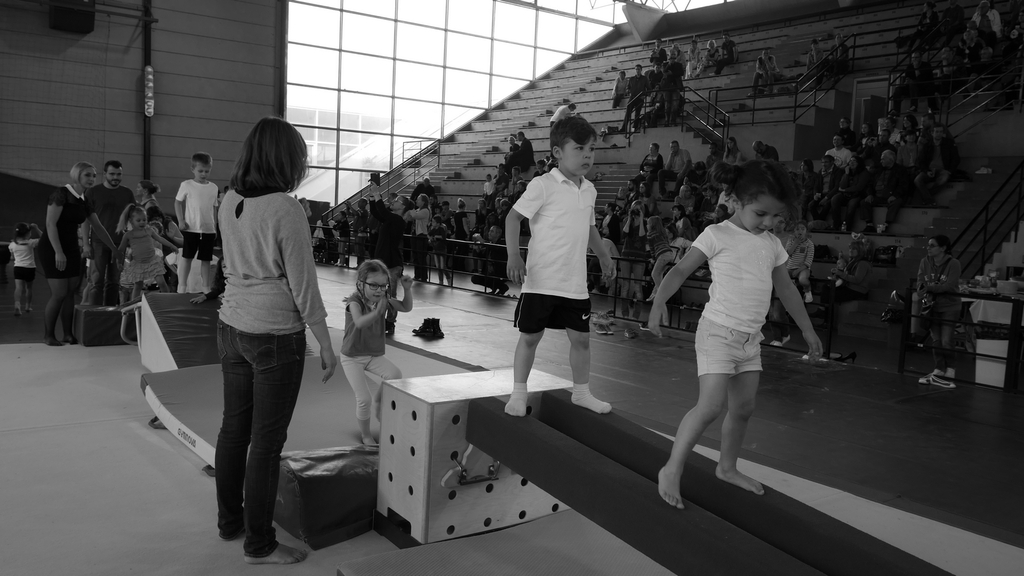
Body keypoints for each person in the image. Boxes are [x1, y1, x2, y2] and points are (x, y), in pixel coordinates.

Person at [649, 160, 822, 509]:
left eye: (776, 216)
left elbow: (786, 289)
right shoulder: (717, 234)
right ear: (738, 201)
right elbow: (680, 270)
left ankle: (727, 468)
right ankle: (671, 468)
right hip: (717, 333)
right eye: (761, 214)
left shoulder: (772, 244)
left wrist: (808, 329)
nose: (769, 223)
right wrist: (657, 303)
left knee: (743, 408)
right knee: (710, 406)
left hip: (750, 339)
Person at [214, 117, 338, 565]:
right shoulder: (285, 208)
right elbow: (303, 284)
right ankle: (260, 544)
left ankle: (231, 522)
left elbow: (228, 263)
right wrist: (326, 342)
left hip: (232, 325)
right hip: (273, 334)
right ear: (286, 160)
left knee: (234, 430)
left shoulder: (229, 199)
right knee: (266, 443)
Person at [504, 115, 615, 417]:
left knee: (581, 339)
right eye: (579, 149)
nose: (587, 155)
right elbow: (513, 218)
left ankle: (581, 393)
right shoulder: (543, 185)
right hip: (542, 279)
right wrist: (514, 255)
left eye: (591, 149)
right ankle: (518, 394)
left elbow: (589, 226)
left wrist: (603, 255)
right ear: (557, 152)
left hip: (574, 283)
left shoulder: (589, 189)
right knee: (530, 337)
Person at [39, 162, 122, 346]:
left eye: (93, 176)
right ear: (77, 175)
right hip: (52, 247)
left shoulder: (84, 200)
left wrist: (115, 249)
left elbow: (98, 227)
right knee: (59, 293)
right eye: (87, 175)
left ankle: (68, 334)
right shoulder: (61, 194)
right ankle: (48, 335)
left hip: (71, 248)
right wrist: (58, 252)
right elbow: (50, 224)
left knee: (70, 293)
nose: (91, 179)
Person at [341, 260, 413, 445]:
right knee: (363, 399)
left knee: (395, 375)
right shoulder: (354, 302)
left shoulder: (383, 300)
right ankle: (366, 435)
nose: (379, 290)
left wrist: (407, 289)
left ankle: (379, 401)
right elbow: (359, 322)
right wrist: (378, 312)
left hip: (372, 355)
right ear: (360, 284)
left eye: (383, 286)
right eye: (373, 285)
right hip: (352, 357)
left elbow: (406, 307)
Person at [81, 160, 134, 306]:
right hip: (98, 242)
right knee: (96, 281)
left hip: (120, 243)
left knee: (114, 281)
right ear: (104, 174)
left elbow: (133, 218)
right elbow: (85, 220)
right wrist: (86, 244)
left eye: (119, 174)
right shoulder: (92, 192)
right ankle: (94, 313)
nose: (115, 177)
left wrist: (134, 241)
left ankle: (111, 313)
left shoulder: (127, 193)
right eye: (112, 174)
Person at [916, 235, 961, 388]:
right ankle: (939, 367)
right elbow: (920, 281)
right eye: (928, 245)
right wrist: (922, 289)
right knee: (936, 339)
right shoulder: (925, 262)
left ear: (943, 248)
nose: (928, 248)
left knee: (947, 339)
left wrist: (928, 288)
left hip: (950, 306)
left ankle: (951, 367)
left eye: (932, 245)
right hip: (932, 305)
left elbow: (949, 286)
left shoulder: (954, 264)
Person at [175, 152, 219, 293]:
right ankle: (182, 286)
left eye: (207, 171)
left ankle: (205, 287)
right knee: (187, 257)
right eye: (200, 171)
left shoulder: (213, 187)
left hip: (208, 229)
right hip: (191, 228)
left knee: (206, 259)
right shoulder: (187, 185)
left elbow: (214, 208)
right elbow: (177, 202)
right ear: (192, 169)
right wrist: (181, 220)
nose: (204, 174)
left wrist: (215, 227)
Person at [368, 185, 408, 335]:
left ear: (402, 207)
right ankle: (379, 320)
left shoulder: (399, 220)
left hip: (392, 264)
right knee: (379, 294)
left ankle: (390, 322)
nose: (393, 201)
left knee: (390, 295)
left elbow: (383, 211)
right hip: (382, 262)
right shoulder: (389, 220)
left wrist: (378, 194)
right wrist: (372, 197)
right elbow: (376, 212)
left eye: (397, 201)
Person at [116, 204, 178, 300]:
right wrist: (119, 262)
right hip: (138, 263)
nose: (142, 222)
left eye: (144, 220)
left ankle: (167, 301)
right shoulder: (128, 235)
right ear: (131, 221)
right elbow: (121, 249)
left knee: (161, 282)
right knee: (138, 285)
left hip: (152, 261)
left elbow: (160, 239)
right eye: (138, 220)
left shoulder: (149, 230)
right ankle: (134, 304)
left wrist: (171, 245)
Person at [915, 124, 960, 205]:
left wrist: (950, 171)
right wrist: (926, 171)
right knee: (917, 180)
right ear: (932, 133)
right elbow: (921, 160)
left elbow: (956, 158)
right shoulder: (927, 145)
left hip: (943, 169)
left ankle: (926, 198)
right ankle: (929, 200)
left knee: (944, 179)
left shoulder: (949, 143)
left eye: (941, 132)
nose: (939, 134)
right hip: (930, 169)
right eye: (937, 132)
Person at [831, 156, 871, 231]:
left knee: (852, 204)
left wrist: (845, 190)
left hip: (858, 194)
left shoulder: (864, 173)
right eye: (850, 161)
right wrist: (846, 174)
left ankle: (847, 226)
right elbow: (842, 185)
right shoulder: (848, 172)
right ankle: (836, 224)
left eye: (854, 161)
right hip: (846, 194)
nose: (851, 162)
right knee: (835, 199)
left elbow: (859, 187)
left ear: (859, 163)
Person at [9, 222, 42, 316]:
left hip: (18, 268)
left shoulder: (12, 244)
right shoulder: (31, 243)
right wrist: (36, 228)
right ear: (27, 234)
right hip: (29, 268)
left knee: (18, 287)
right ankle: (28, 306)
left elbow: (12, 257)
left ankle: (17, 305)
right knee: (29, 287)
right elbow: (45, 238)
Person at [471, 225, 510, 295]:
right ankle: (494, 287)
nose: (489, 233)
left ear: (498, 234)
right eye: (489, 231)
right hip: (488, 272)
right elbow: (483, 256)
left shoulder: (502, 243)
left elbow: (496, 249)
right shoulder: (490, 244)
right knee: (475, 278)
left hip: (499, 272)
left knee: (491, 278)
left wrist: (483, 241)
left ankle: (502, 287)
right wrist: (478, 249)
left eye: (492, 231)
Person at [647, 216, 674, 302]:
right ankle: (654, 294)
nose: (647, 225)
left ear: (652, 225)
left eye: (648, 224)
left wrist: (653, 259)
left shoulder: (650, 234)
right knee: (659, 274)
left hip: (662, 254)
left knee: (655, 274)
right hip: (670, 254)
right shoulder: (663, 233)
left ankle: (661, 293)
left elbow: (652, 249)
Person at [622, 65, 649, 133]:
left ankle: (634, 128)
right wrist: (629, 92)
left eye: (638, 69)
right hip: (632, 97)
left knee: (637, 113)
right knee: (628, 112)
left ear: (641, 70)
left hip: (640, 97)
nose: (637, 70)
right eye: (636, 69)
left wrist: (644, 95)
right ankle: (624, 128)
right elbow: (628, 88)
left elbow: (649, 88)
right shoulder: (631, 79)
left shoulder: (644, 78)